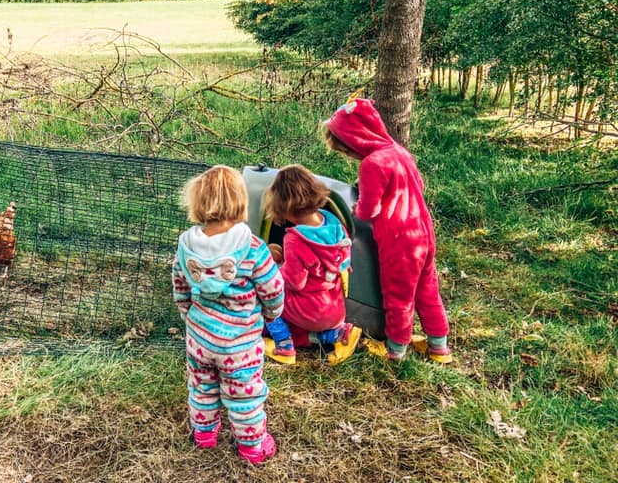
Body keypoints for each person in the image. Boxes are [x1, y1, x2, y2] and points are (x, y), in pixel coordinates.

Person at [324, 98, 452, 363]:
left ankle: (395, 350)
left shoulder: (372, 163)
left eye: (346, 149)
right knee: (427, 288)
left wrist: (355, 210)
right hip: (422, 232)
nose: (349, 154)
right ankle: (439, 347)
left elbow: (368, 211)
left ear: (355, 139)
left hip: (399, 240)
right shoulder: (398, 152)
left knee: (398, 295)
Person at [174, 165, 283, 465]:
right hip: (240, 345)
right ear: (241, 201)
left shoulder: (187, 245)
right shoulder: (252, 247)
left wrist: (190, 317)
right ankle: (253, 446)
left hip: (199, 338)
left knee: (202, 386)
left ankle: (204, 434)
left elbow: (180, 286)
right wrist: (272, 315)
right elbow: (273, 289)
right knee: (244, 395)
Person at [262, 164, 362, 365]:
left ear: (286, 207)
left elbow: (293, 282)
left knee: (266, 297)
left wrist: (273, 268)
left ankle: (284, 345)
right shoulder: (334, 223)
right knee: (300, 309)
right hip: (334, 310)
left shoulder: (295, 239)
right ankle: (334, 335)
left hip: (309, 312)